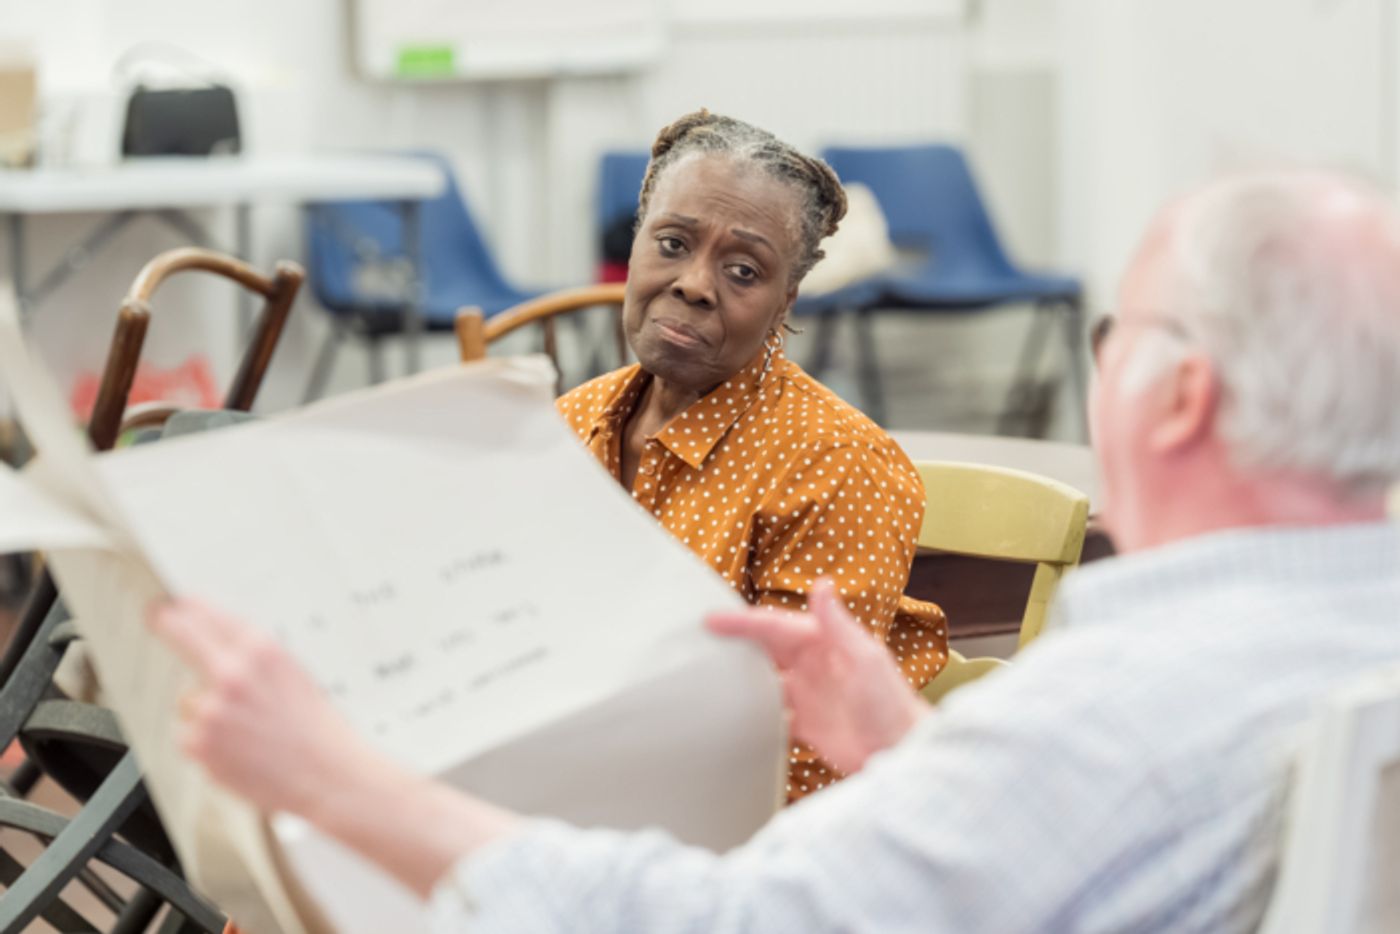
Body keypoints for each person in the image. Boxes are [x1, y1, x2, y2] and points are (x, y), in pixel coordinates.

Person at [155, 167, 1400, 932]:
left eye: (1120, 333)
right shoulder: (1336, 646)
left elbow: (730, 919)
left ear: (1175, 397)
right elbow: (1072, 849)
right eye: (668, 244)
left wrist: (328, 775)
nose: (692, 287)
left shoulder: (1104, 707)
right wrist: (916, 751)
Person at [556, 110, 947, 800]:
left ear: (784, 301)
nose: (695, 284)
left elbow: (801, 756)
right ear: (637, 246)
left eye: (743, 270)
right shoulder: (567, 424)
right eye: (671, 243)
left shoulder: (836, 466)